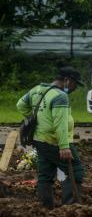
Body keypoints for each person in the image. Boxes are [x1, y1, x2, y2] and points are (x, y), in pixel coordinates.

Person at [16, 66, 85, 209]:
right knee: (76, 171)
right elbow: (60, 125)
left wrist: (34, 118)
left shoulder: (37, 89)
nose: (75, 88)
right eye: (74, 84)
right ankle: (71, 209)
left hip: (39, 140)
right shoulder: (60, 96)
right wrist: (64, 147)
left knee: (45, 174)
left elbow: (20, 104)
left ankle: (45, 208)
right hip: (55, 141)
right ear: (66, 80)